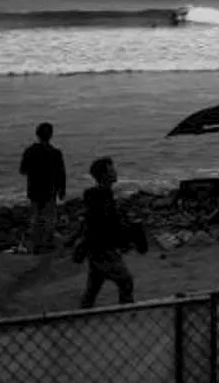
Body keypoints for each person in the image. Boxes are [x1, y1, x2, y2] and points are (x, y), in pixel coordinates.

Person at [77, 157, 143, 309]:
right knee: (125, 281)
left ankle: (83, 312)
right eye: (111, 170)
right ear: (104, 174)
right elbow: (100, 225)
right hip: (103, 248)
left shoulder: (101, 194)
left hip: (98, 248)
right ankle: (126, 312)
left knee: (94, 285)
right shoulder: (101, 196)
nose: (115, 172)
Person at [19, 122, 66, 253]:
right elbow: (61, 174)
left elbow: (22, 170)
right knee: (49, 217)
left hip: (34, 189)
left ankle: (35, 243)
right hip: (50, 190)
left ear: (37, 134)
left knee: (35, 216)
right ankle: (46, 243)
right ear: (51, 135)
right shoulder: (55, 153)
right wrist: (62, 190)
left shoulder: (30, 151)